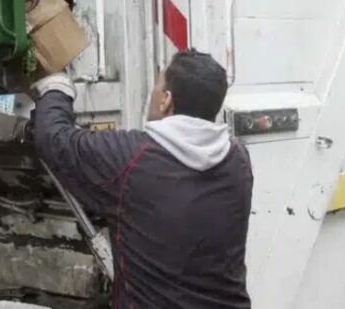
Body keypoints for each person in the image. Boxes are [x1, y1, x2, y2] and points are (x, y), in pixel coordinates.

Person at [31, 50, 253, 308]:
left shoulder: (132, 160)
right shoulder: (239, 160)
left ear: (166, 101)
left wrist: (56, 85)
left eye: (156, 89)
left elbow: (54, 139)